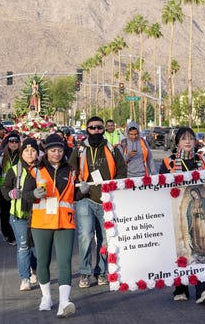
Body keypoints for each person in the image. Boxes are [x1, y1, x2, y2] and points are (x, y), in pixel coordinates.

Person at [160, 126, 205, 304]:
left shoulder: (204, 161)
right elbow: (159, 187)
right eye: (183, 138)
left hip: (199, 215)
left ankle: (203, 289)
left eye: (191, 138)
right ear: (177, 142)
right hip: (176, 213)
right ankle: (180, 287)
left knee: (200, 248)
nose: (187, 141)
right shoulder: (168, 162)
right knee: (181, 249)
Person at [69, 116, 127, 289]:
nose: (96, 131)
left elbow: (122, 170)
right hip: (85, 199)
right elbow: (70, 171)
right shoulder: (79, 150)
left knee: (105, 240)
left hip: (106, 200)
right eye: (92, 128)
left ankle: (101, 271)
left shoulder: (111, 149)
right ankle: (85, 273)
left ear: (104, 130)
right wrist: (78, 191)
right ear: (87, 129)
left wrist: (112, 189)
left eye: (99, 128)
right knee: (86, 236)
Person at [22, 133, 77, 317]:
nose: (56, 154)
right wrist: (34, 195)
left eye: (60, 150)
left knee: (64, 262)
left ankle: (64, 302)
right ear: (46, 152)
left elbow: (75, 196)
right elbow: (25, 195)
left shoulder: (71, 170)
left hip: (65, 222)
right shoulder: (35, 170)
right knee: (43, 262)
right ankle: (46, 297)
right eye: (53, 150)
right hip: (41, 223)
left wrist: (84, 191)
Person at [2, 136, 39, 291]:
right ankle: (25, 278)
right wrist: (11, 193)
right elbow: (4, 189)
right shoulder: (14, 170)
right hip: (19, 215)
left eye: (33, 150)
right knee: (23, 246)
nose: (29, 153)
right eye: (26, 150)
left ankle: (35, 270)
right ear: (22, 153)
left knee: (37, 248)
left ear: (38, 153)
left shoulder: (43, 169)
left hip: (39, 215)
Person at [0, 132, 20, 245]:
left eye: (16, 141)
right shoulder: (1, 156)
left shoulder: (22, 155)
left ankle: (13, 235)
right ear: (7, 143)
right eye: (11, 141)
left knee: (15, 211)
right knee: (5, 212)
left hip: (18, 188)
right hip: (3, 188)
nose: (14, 144)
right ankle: (6, 233)